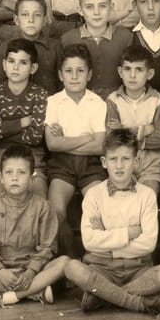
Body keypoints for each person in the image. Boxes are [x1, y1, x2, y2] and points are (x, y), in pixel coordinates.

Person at [64, 129, 160, 315]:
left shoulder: (146, 195)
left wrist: (108, 243)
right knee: (71, 268)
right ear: (104, 162)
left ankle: (104, 296)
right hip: (102, 268)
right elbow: (89, 241)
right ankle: (139, 303)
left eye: (125, 159)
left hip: (138, 270)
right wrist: (129, 233)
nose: (119, 166)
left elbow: (148, 243)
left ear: (136, 161)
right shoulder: (94, 195)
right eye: (113, 159)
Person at [0, 144, 69, 308]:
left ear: (32, 178)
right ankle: (34, 292)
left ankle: (4, 296)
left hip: (33, 271)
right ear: (1, 177)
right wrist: (0, 271)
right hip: (0, 272)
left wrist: (31, 272)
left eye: (21, 172)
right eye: (9, 172)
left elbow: (47, 247)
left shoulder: (43, 207)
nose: (14, 178)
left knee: (64, 263)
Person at [45, 44, 107, 255]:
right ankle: (69, 258)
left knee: (98, 209)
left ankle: (94, 260)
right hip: (61, 166)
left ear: (89, 74)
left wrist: (66, 141)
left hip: (91, 167)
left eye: (80, 71)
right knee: (56, 211)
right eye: (68, 71)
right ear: (60, 75)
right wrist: (85, 138)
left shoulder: (97, 103)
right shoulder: (53, 102)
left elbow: (99, 146)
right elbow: (52, 144)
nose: (74, 76)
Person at [0, 38, 48, 198]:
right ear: (4, 64)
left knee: (38, 199)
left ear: (33, 68)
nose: (15, 67)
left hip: (32, 159)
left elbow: (35, 137)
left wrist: (4, 128)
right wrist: (23, 122)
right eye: (11, 61)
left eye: (23, 63)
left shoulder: (40, 94)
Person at [106, 45, 160, 194]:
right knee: (123, 198)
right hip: (123, 162)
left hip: (151, 163)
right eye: (127, 69)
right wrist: (144, 130)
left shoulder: (157, 99)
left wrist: (124, 130)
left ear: (149, 73)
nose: (132, 75)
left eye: (139, 70)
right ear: (120, 72)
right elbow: (112, 139)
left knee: (148, 195)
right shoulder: (113, 100)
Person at [61, 0, 134, 98]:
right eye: (89, 7)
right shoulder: (68, 39)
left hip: (117, 101)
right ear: (80, 10)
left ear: (111, 7)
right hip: (81, 101)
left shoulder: (125, 37)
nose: (96, 12)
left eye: (102, 6)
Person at [0, 0, 63, 94]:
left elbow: (61, 84)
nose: (31, 20)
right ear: (16, 20)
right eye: (25, 14)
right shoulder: (5, 47)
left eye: (37, 15)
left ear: (44, 20)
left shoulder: (55, 47)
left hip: (48, 102)